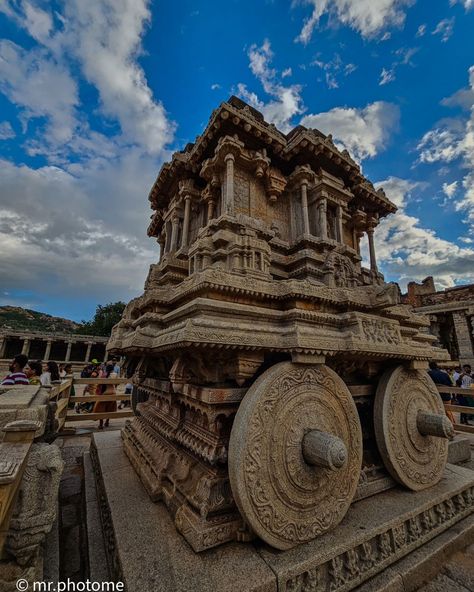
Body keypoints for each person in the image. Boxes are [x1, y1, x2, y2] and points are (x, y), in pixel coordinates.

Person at [93, 363, 117, 429]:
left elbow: (99, 384)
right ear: (113, 369)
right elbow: (117, 383)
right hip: (113, 393)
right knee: (110, 408)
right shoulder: (115, 375)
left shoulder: (104, 375)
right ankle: (107, 422)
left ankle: (101, 424)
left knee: (101, 409)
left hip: (105, 393)